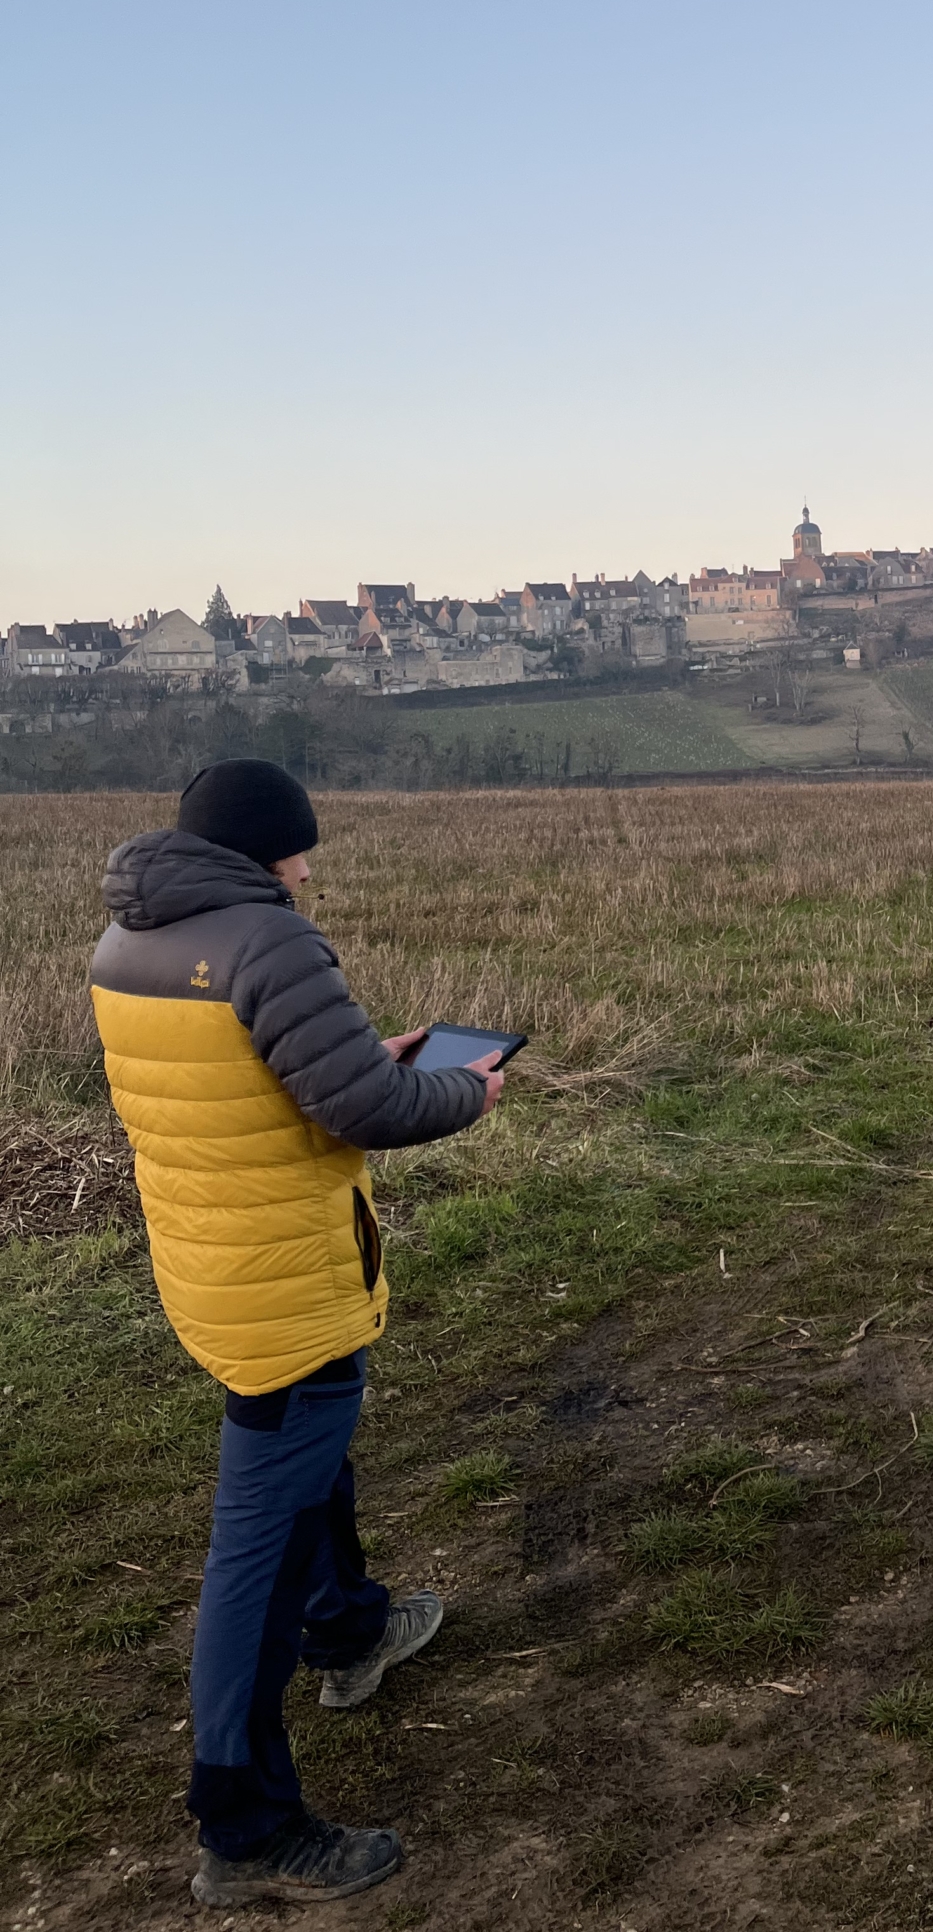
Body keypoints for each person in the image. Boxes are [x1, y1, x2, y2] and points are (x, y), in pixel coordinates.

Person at [89, 758, 505, 1907]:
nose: (307, 869)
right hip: (287, 1281)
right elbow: (363, 1110)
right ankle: (245, 1821)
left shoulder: (125, 946)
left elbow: (241, 1089)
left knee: (308, 1463)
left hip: (214, 1267)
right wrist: (463, 1092)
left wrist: (366, 1055)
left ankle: (352, 1628)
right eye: (298, 850)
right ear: (259, 853)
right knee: (254, 1554)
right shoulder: (270, 944)